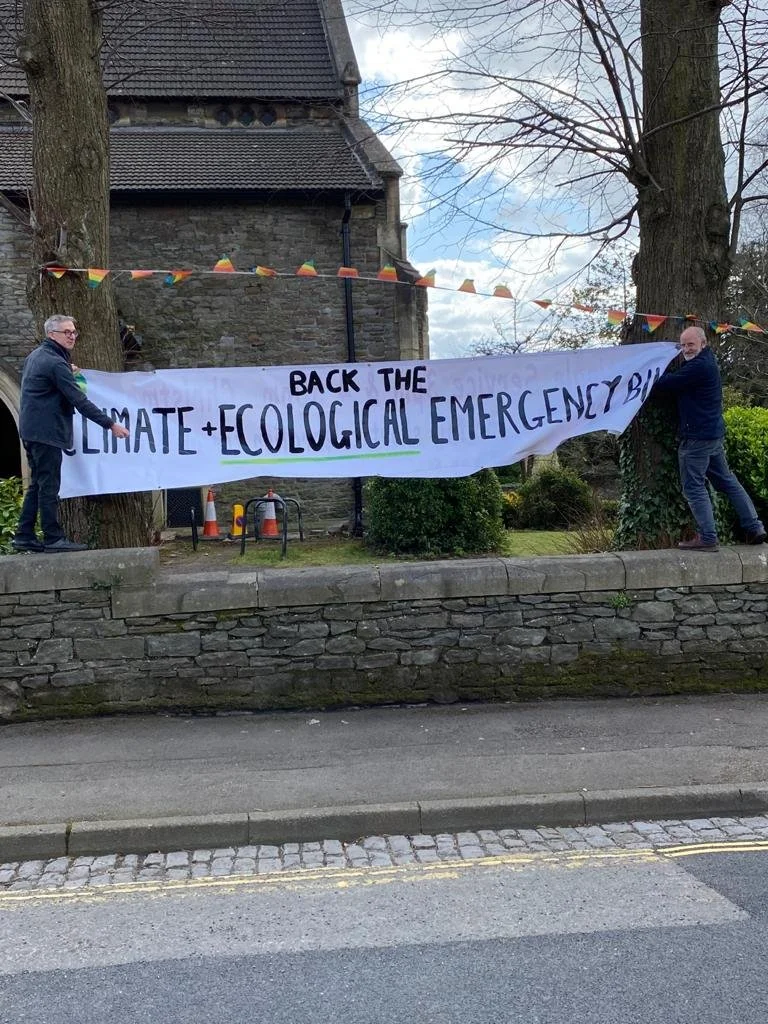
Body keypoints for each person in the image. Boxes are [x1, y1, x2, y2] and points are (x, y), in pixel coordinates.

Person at [12, 314, 130, 553]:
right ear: (51, 334)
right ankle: (53, 538)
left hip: (33, 431)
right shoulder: (55, 363)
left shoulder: (38, 356)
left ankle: (24, 535)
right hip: (46, 432)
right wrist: (111, 425)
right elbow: (79, 400)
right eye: (66, 332)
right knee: (49, 487)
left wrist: (67, 369)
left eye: (74, 332)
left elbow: (47, 382)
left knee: (38, 484)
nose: (72, 336)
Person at [653, 325, 766, 551]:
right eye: (683, 345)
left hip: (696, 438)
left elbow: (665, 384)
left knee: (693, 487)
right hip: (712, 435)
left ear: (703, 344)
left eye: (691, 344)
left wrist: (646, 372)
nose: (686, 349)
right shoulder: (706, 362)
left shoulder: (698, 367)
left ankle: (708, 537)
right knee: (727, 480)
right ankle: (754, 527)